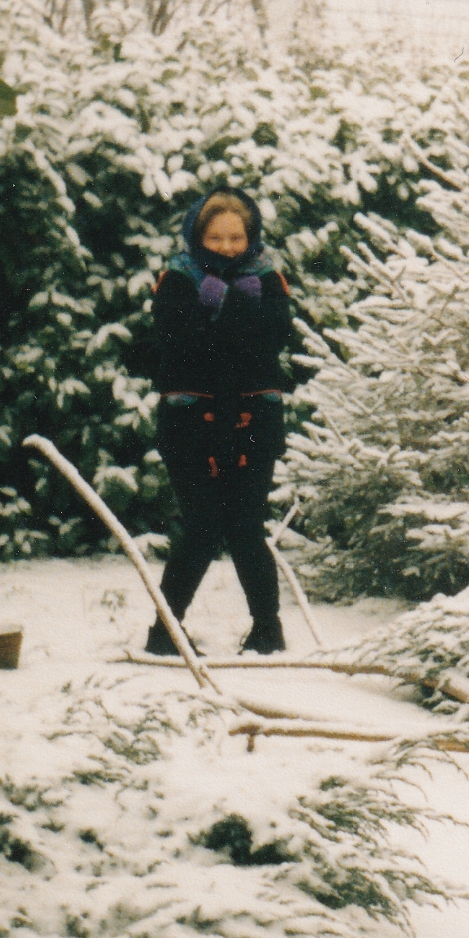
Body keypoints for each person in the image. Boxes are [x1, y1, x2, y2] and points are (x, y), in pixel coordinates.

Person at [139, 185, 292, 660]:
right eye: (216, 237)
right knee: (202, 527)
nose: (227, 247)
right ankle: (165, 633)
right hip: (190, 421)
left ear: (251, 237)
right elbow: (180, 342)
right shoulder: (177, 279)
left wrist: (223, 309)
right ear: (198, 236)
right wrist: (234, 316)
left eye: (236, 238)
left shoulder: (268, 278)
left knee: (247, 527)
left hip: (253, 420)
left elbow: (273, 340)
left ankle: (268, 632)